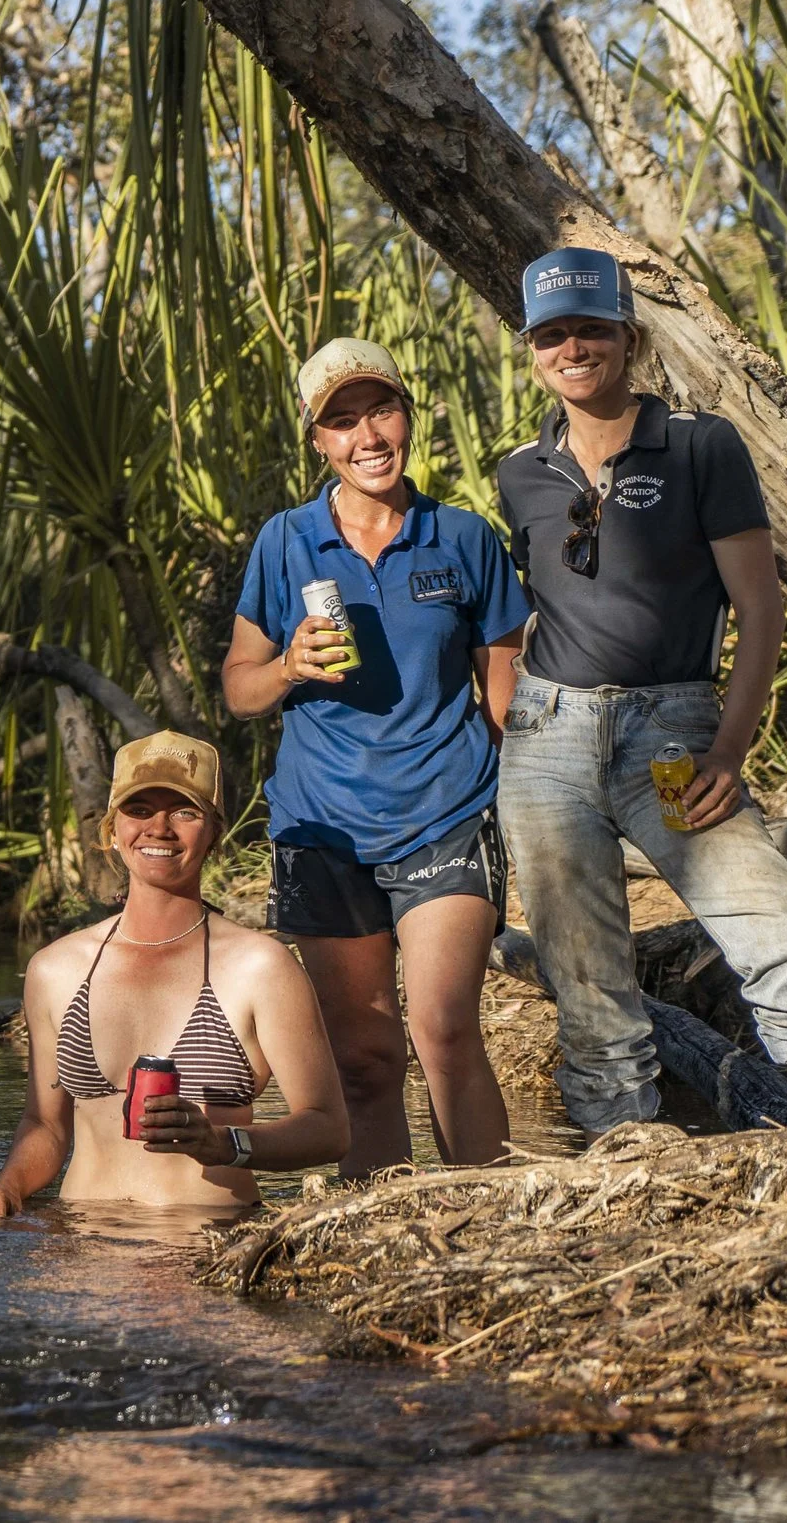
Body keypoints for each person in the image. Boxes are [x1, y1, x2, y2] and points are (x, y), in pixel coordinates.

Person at [493, 247, 787, 1132]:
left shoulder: (702, 444)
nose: (572, 346)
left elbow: (761, 609)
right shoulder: (521, 471)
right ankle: (628, 1167)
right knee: (585, 979)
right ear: (534, 348)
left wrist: (729, 752)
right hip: (548, 742)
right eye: (552, 333)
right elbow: (523, 612)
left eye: (590, 326)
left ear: (627, 334)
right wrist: (511, 714)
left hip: (672, 733)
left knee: (769, 924)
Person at [221, 337, 528, 1177]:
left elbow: (505, 694)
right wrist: (286, 666)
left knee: (443, 1027)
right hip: (324, 828)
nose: (367, 435)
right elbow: (238, 689)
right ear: (317, 440)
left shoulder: (462, 539)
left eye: (380, 410)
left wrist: (522, 816)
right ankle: (384, 1226)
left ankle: (489, 1212)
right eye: (342, 420)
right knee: (362, 1056)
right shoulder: (285, 544)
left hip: (446, 812)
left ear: (407, 415)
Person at [0, 733, 348, 1214]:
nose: (159, 828)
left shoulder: (261, 967)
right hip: (82, 1254)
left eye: (185, 812)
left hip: (209, 1248)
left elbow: (328, 1129)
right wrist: (8, 1188)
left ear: (215, 832)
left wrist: (224, 1144)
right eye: (140, 809)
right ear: (111, 829)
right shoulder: (55, 968)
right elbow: (46, 1126)